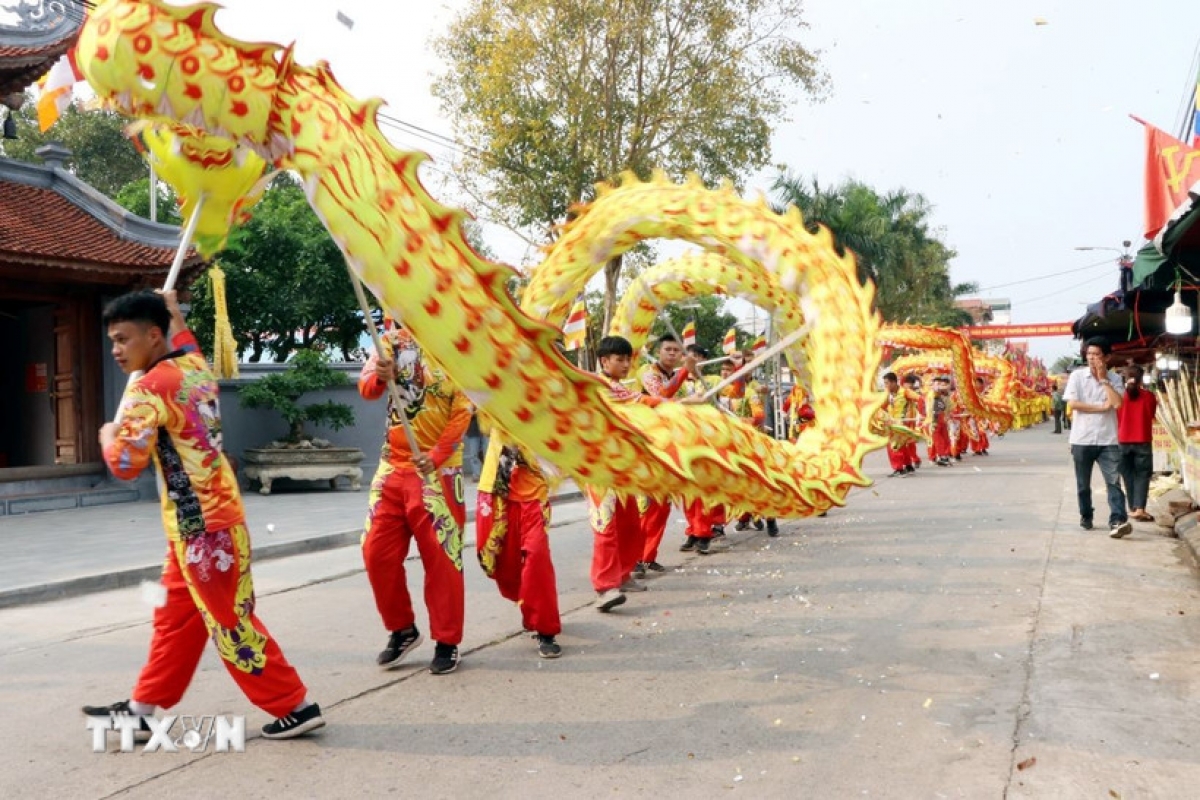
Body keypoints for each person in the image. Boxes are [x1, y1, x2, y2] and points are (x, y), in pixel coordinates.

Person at [86, 290, 323, 740]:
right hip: (204, 525)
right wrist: (174, 311)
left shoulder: (148, 388)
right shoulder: (194, 369)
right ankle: (142, 708)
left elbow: (123, 464)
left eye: (123, 339)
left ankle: (295, 704)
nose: (116, 350)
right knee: (174, 620)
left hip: (202, 531)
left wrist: (108, 434)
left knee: (231, 623)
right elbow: (189, 342)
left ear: (153, 336)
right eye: (112, 341)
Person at [359, 325, 473, 674]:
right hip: (392, 467)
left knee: (442, 558)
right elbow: (366, 389)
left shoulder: (463, 348)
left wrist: (437, 455)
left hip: (438, 473)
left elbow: (464, 411)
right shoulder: (391, 341)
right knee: (375, 552)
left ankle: (447, 639)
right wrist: (380, 375)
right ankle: (402, 629)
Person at [589, 335, 702, 610]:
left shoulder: (617, 386)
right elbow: (653, 400)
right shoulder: (597, 386)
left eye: (628, 359)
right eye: (620, 359)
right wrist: (685, 401)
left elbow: (647, 402)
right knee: (605, 527)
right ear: (604, 361)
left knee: (629, 524)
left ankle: (624, 573)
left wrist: (686, 401)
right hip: (601, 469)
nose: (626, 364)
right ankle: (605, 588)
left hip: (626, 467)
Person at [476, 428, 563, 658]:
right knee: (502, 561)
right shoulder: (495, 396)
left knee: (536, 557)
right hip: (498, 488)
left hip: (534, 493)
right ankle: (529, 606)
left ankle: (546, 630)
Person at [635, 334, 700, 574]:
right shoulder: (647, 371)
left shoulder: (673, 375)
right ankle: (635, 557)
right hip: (644, 445)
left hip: (665, 444)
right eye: (668, 349)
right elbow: (661, 397)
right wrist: (684, 372)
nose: (672, 354)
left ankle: (647, 556)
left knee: (661, 505)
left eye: (676, 350)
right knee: (646, 503)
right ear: (658, 351)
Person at [1063, 338, 1132, 539]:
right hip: (1081, 439)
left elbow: (1117, 404)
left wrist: (1103, 380)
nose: (1092, 358)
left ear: (1107, 357)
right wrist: (1100, 408)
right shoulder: (1077, 376)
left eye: (1097, 354)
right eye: (1089, 354)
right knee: (1083, 484)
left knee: (1113, 482)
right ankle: (1086, 515)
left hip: (1108, 439)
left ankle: (1118, 520)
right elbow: (1074, 404)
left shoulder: (1114, 379)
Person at [1116, 364, 1156, 522]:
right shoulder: (1149, 396)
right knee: (1142, 475)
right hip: (1143, 441)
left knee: (1128, 475)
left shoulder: (1119, 396)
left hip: (1122, 441)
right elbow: (1151, 414)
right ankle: (1139, 508)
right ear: (1141, 379)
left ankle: (1133, 507)